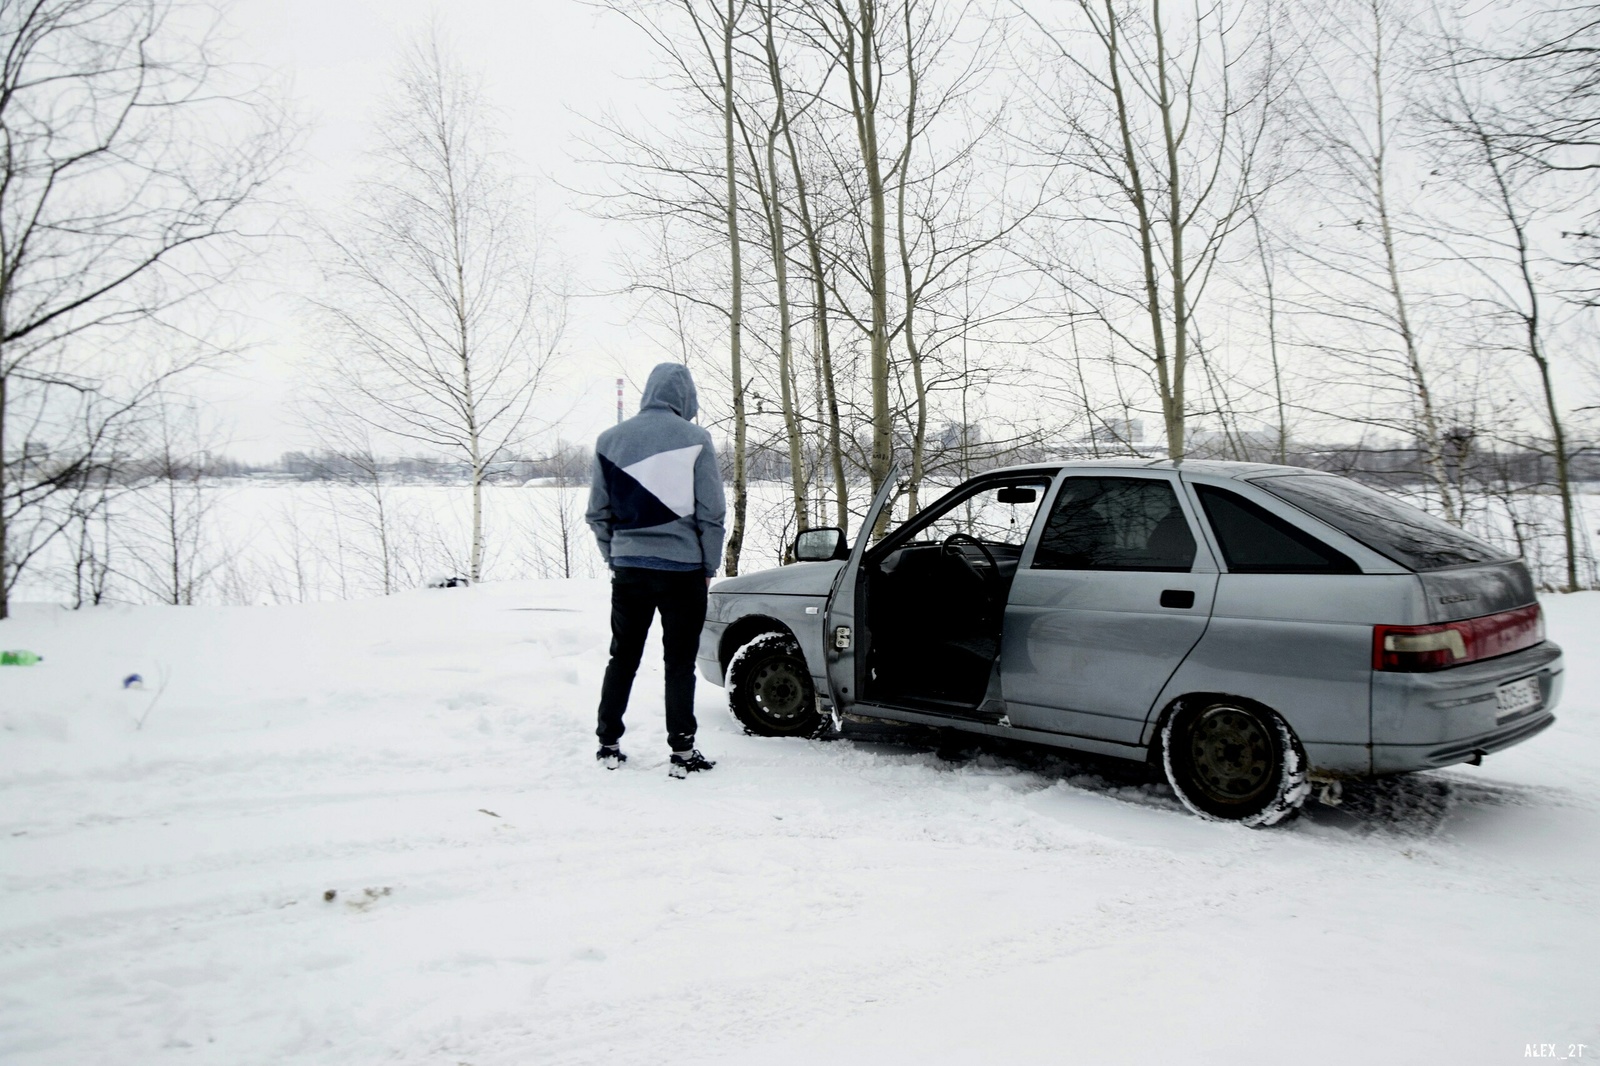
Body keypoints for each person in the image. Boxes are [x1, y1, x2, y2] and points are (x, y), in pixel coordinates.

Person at [586, 362, 726, 778]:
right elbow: (712, 513)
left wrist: (617, 556)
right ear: (686, 398)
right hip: (683, 572)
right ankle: (682, 752)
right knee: (679, 663)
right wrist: (708, 565)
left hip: (629, 570)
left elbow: (598, 514)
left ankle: (608, 742)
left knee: (622, 657)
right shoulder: (696, 439)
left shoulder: (610, 439)